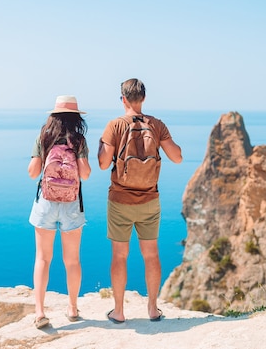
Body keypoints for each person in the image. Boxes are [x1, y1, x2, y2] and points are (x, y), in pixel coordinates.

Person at [97, 78, 183, 323]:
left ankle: (119, 312)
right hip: (149, 201)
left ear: (123, 99)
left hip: (120, 201)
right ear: (143, 98)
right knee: (151, 254)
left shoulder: (114, 125)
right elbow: (177, 157)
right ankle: (153, 310)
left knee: (119, 256)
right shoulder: (156, 125)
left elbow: (104, 164)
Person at [27, 95, 92, 329]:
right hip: (72, 204)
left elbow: (33, 173)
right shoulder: (79, 140)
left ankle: (39, 312)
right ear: (76, 118)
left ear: (53, 115)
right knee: (72, 260)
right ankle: (73, 308)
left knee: (43, 258)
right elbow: (85, 174)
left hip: (45, 202)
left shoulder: (43, 137)